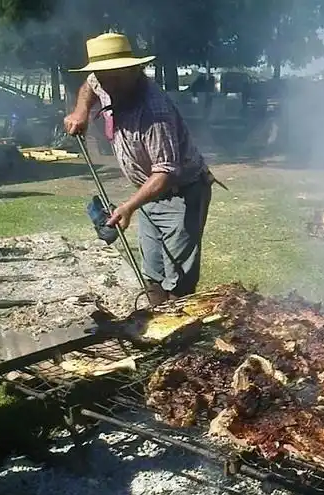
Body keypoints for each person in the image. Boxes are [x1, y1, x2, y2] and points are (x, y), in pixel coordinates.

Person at [63, 32, 213, 306]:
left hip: (181, 194)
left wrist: (128, 207)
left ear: (135, 69)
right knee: (152, 270)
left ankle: (180, 333)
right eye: (103, 75)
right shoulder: (104, 81)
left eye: (116, 76)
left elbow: (166, 172)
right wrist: (80, 111)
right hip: (149, 194)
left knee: (178, 276)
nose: (108, 83)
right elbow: (89, 85)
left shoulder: (155, 112)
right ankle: (155, 320)